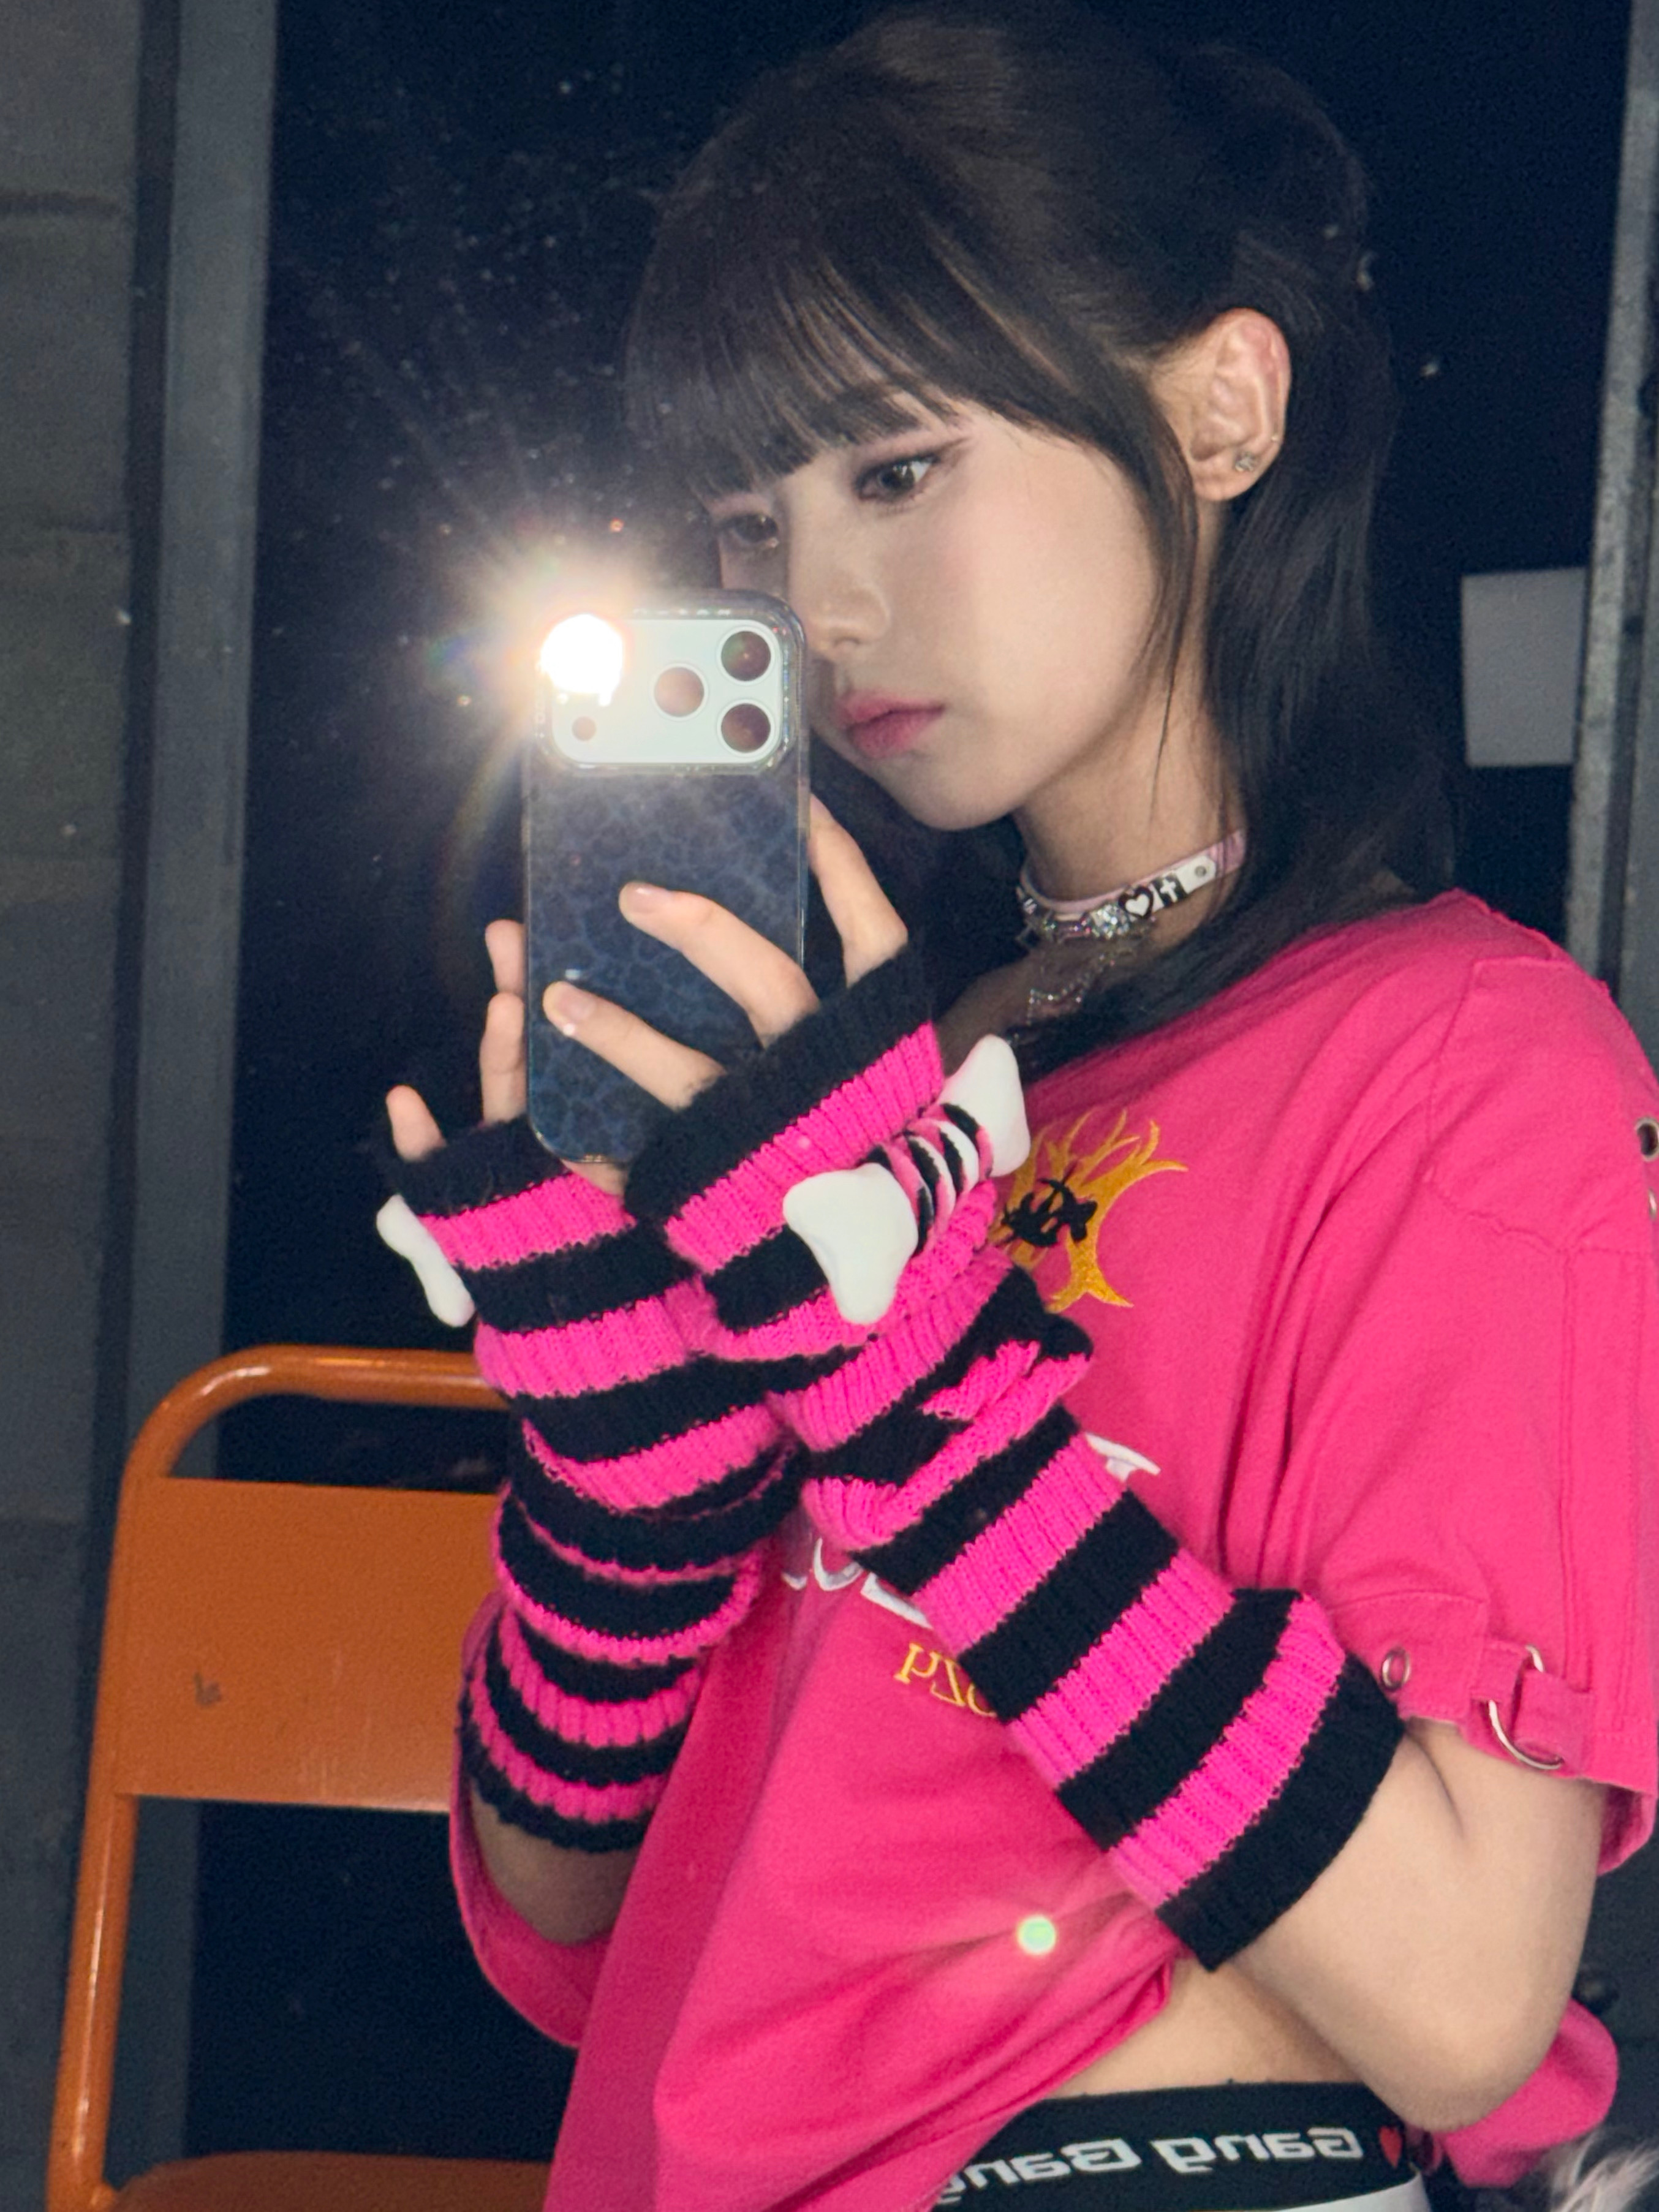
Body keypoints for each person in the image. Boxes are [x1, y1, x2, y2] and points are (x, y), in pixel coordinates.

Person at [384, 7, 1659, 2208]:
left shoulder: (1468, 1069)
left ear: (1220, 406)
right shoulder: (883, 1093)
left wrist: (912, 1387)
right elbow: (572, 1910)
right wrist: (624, 1486)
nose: (818, 601)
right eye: (749, 520)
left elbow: (1461, 1996)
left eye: (895, 468)